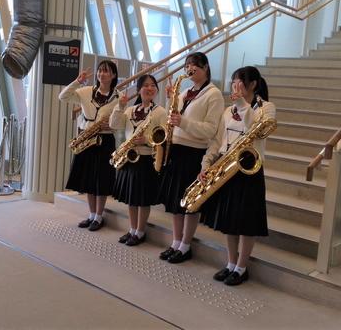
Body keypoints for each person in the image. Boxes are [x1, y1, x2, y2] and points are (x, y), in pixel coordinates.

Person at [200, 66, 276, 286]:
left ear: (252, 84)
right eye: (233, 81)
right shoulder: (228, 110)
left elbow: (257, 128)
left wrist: (242, 103)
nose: (236, 85)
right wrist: (207, 162)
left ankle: (242, 267)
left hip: (249, 169)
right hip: (226, 168)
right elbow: (217, 141)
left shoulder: (266, 108)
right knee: (229, 221)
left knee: (246, 221)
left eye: (240, 81)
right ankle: (231, 263)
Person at [158, 52, 225, 263]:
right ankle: (176, 242)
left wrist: (182, 123)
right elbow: (176, 119)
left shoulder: (213, 94)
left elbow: (210, 130)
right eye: (187, 65)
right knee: (176, 203)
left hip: (194, 153)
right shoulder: (185, 92)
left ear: (205, 67)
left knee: (190, 204)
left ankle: (186, 245)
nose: (189, 68)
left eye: (194, 65)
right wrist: (172, 101)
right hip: (176, 151)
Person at [59, 60, 119, 231]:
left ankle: (99, 216)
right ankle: (91, 214)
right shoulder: (86, 91)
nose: (102, 74)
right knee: (89, 179)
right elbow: (63, 96)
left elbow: (121, 120)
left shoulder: (119, 96)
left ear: (113, 75)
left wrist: (113, 125)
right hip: (86, 139)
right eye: (100, 71)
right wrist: (78, 81)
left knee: (102, 179)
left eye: (106, 71)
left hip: (105, 140)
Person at [109, 74, 167, 246]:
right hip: (129, 158)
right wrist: (119, 105)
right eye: (145, 86)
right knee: (131, 198)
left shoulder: (160, 112)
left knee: (142, 199)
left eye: (153, 85)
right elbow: (114, 124)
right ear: (139, 90)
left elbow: (164, 137)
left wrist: (147, 141)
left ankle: (140, 231)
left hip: (146, 159)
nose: (149, 88)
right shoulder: (130, 111)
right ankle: (132, 229)